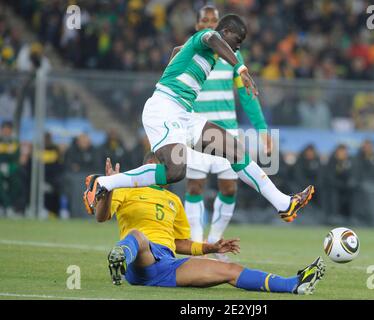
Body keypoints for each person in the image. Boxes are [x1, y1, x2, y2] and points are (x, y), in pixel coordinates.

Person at [84, 14, 314, 224]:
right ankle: (103, 183)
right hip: (164, 108)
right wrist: (241, 69)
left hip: (184, 114)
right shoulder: (208, 36)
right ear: (225, 33)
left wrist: (176, 63)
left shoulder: (205, 52)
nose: (238, 46)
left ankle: (284, 203)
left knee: (234, 149)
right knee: (175, 171)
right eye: (237, 39)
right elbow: (211, 37)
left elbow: (177, 50)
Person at [93, 155, 325, 295]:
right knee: (137, 235)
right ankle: (120, 256)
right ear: (149, 166)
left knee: (230, 271)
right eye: (163, 166)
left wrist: (211, 248)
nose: (170, 171)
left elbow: (179, 243)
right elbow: (101, 217)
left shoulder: (174, 201)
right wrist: (109, 191)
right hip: (139, 259)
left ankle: (293, 284)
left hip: (166, 264)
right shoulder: (125, 188)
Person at [182, 6, 271, 260]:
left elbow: (246, 93)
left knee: (230, 188)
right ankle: (197, 245)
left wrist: (262, 130)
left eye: (214, 20)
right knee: (195, 186)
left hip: (226, 133)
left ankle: (214, 240)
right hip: (197, 131)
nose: (209, 23)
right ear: (197, 24)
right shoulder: (190, 51)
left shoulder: (232, 54)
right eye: (205, 20)